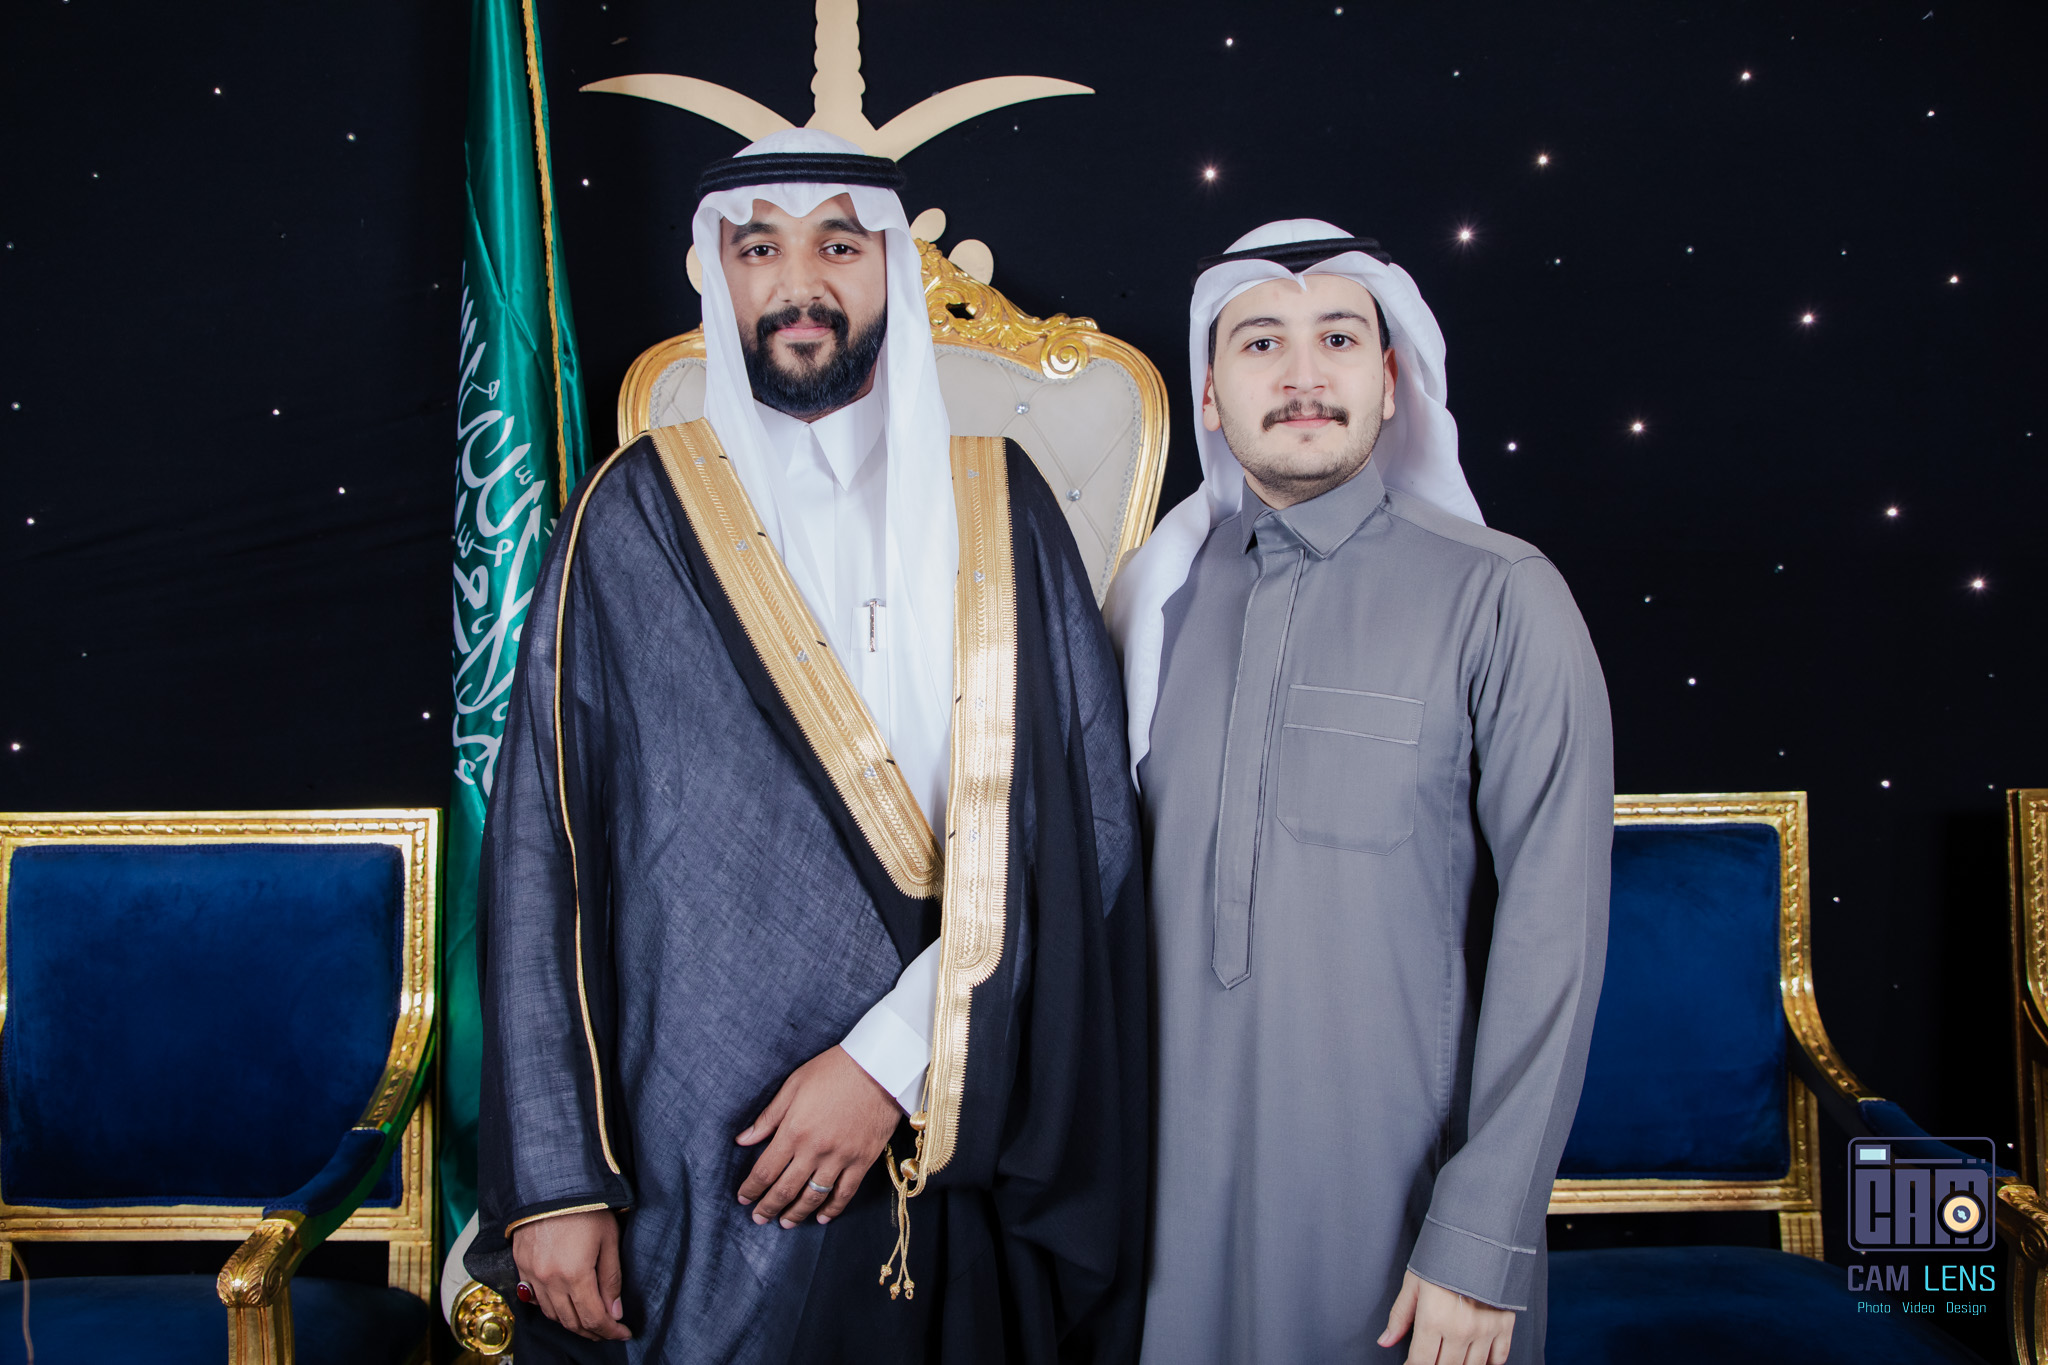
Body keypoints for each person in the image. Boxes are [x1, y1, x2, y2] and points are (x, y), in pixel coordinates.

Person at [466, 128, 1147, 1365]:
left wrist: (892, 1063)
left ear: (890, 265)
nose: (798, 283)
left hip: (952, 1129)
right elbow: (537, 858)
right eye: (758, 250)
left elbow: (1080, 836)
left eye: (837, 246)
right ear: (718, 278)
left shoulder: (1001, 504)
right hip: (684, 1153)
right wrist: (556, 1183)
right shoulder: (630, 516)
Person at [1106, 220, 1612, 1365]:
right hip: (1164, 1216)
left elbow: (1555, 939)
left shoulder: (1502, 596)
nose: (1300, 373)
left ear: (1390, 382)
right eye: (1259, 343)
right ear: (1209, 395)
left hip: (1399, 1233)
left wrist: (1480, 1240)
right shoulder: (1149, 608)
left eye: (1337, 338)